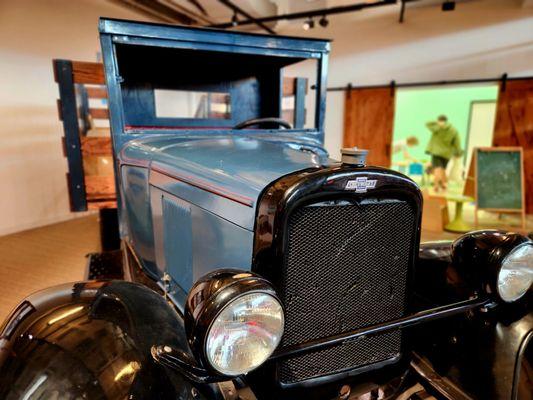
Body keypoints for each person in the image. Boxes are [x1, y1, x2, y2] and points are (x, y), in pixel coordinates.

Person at [425, 115, 462, 192]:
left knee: (437, 169)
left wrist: (436, 122)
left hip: (436, 152)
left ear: (439, 120)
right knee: (443, 169)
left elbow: (427, 124)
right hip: (447, 154)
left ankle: (436, 186)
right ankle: (444, 184)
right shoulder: (453, 130)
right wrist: (458, 152)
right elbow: (457, 143)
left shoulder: (437, 128)